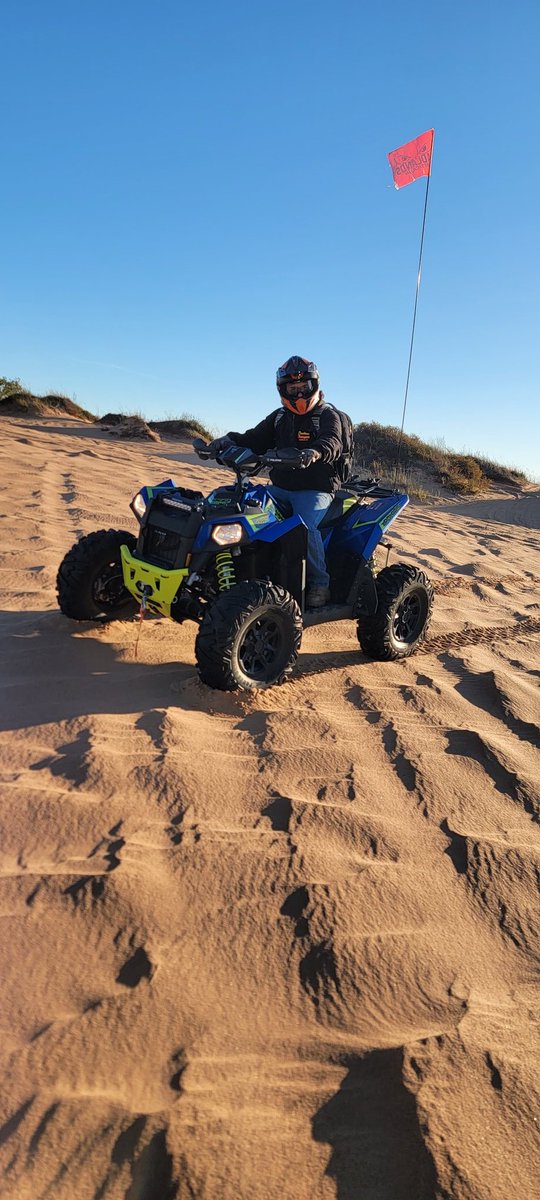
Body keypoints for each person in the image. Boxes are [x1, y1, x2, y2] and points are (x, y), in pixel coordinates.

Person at [205, 356, 345, 608]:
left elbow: (333, 441)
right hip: (280, 487)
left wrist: (315, 452)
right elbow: (253, 438)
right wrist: (227, 440)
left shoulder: (327, 415)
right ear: (283, 390)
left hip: (315, 489)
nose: (299, 393)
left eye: (304, 387)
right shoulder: (280, 417)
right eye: (293, 389)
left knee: (304, 527)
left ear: (314, 385)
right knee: (243, 512)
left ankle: (319, 584)